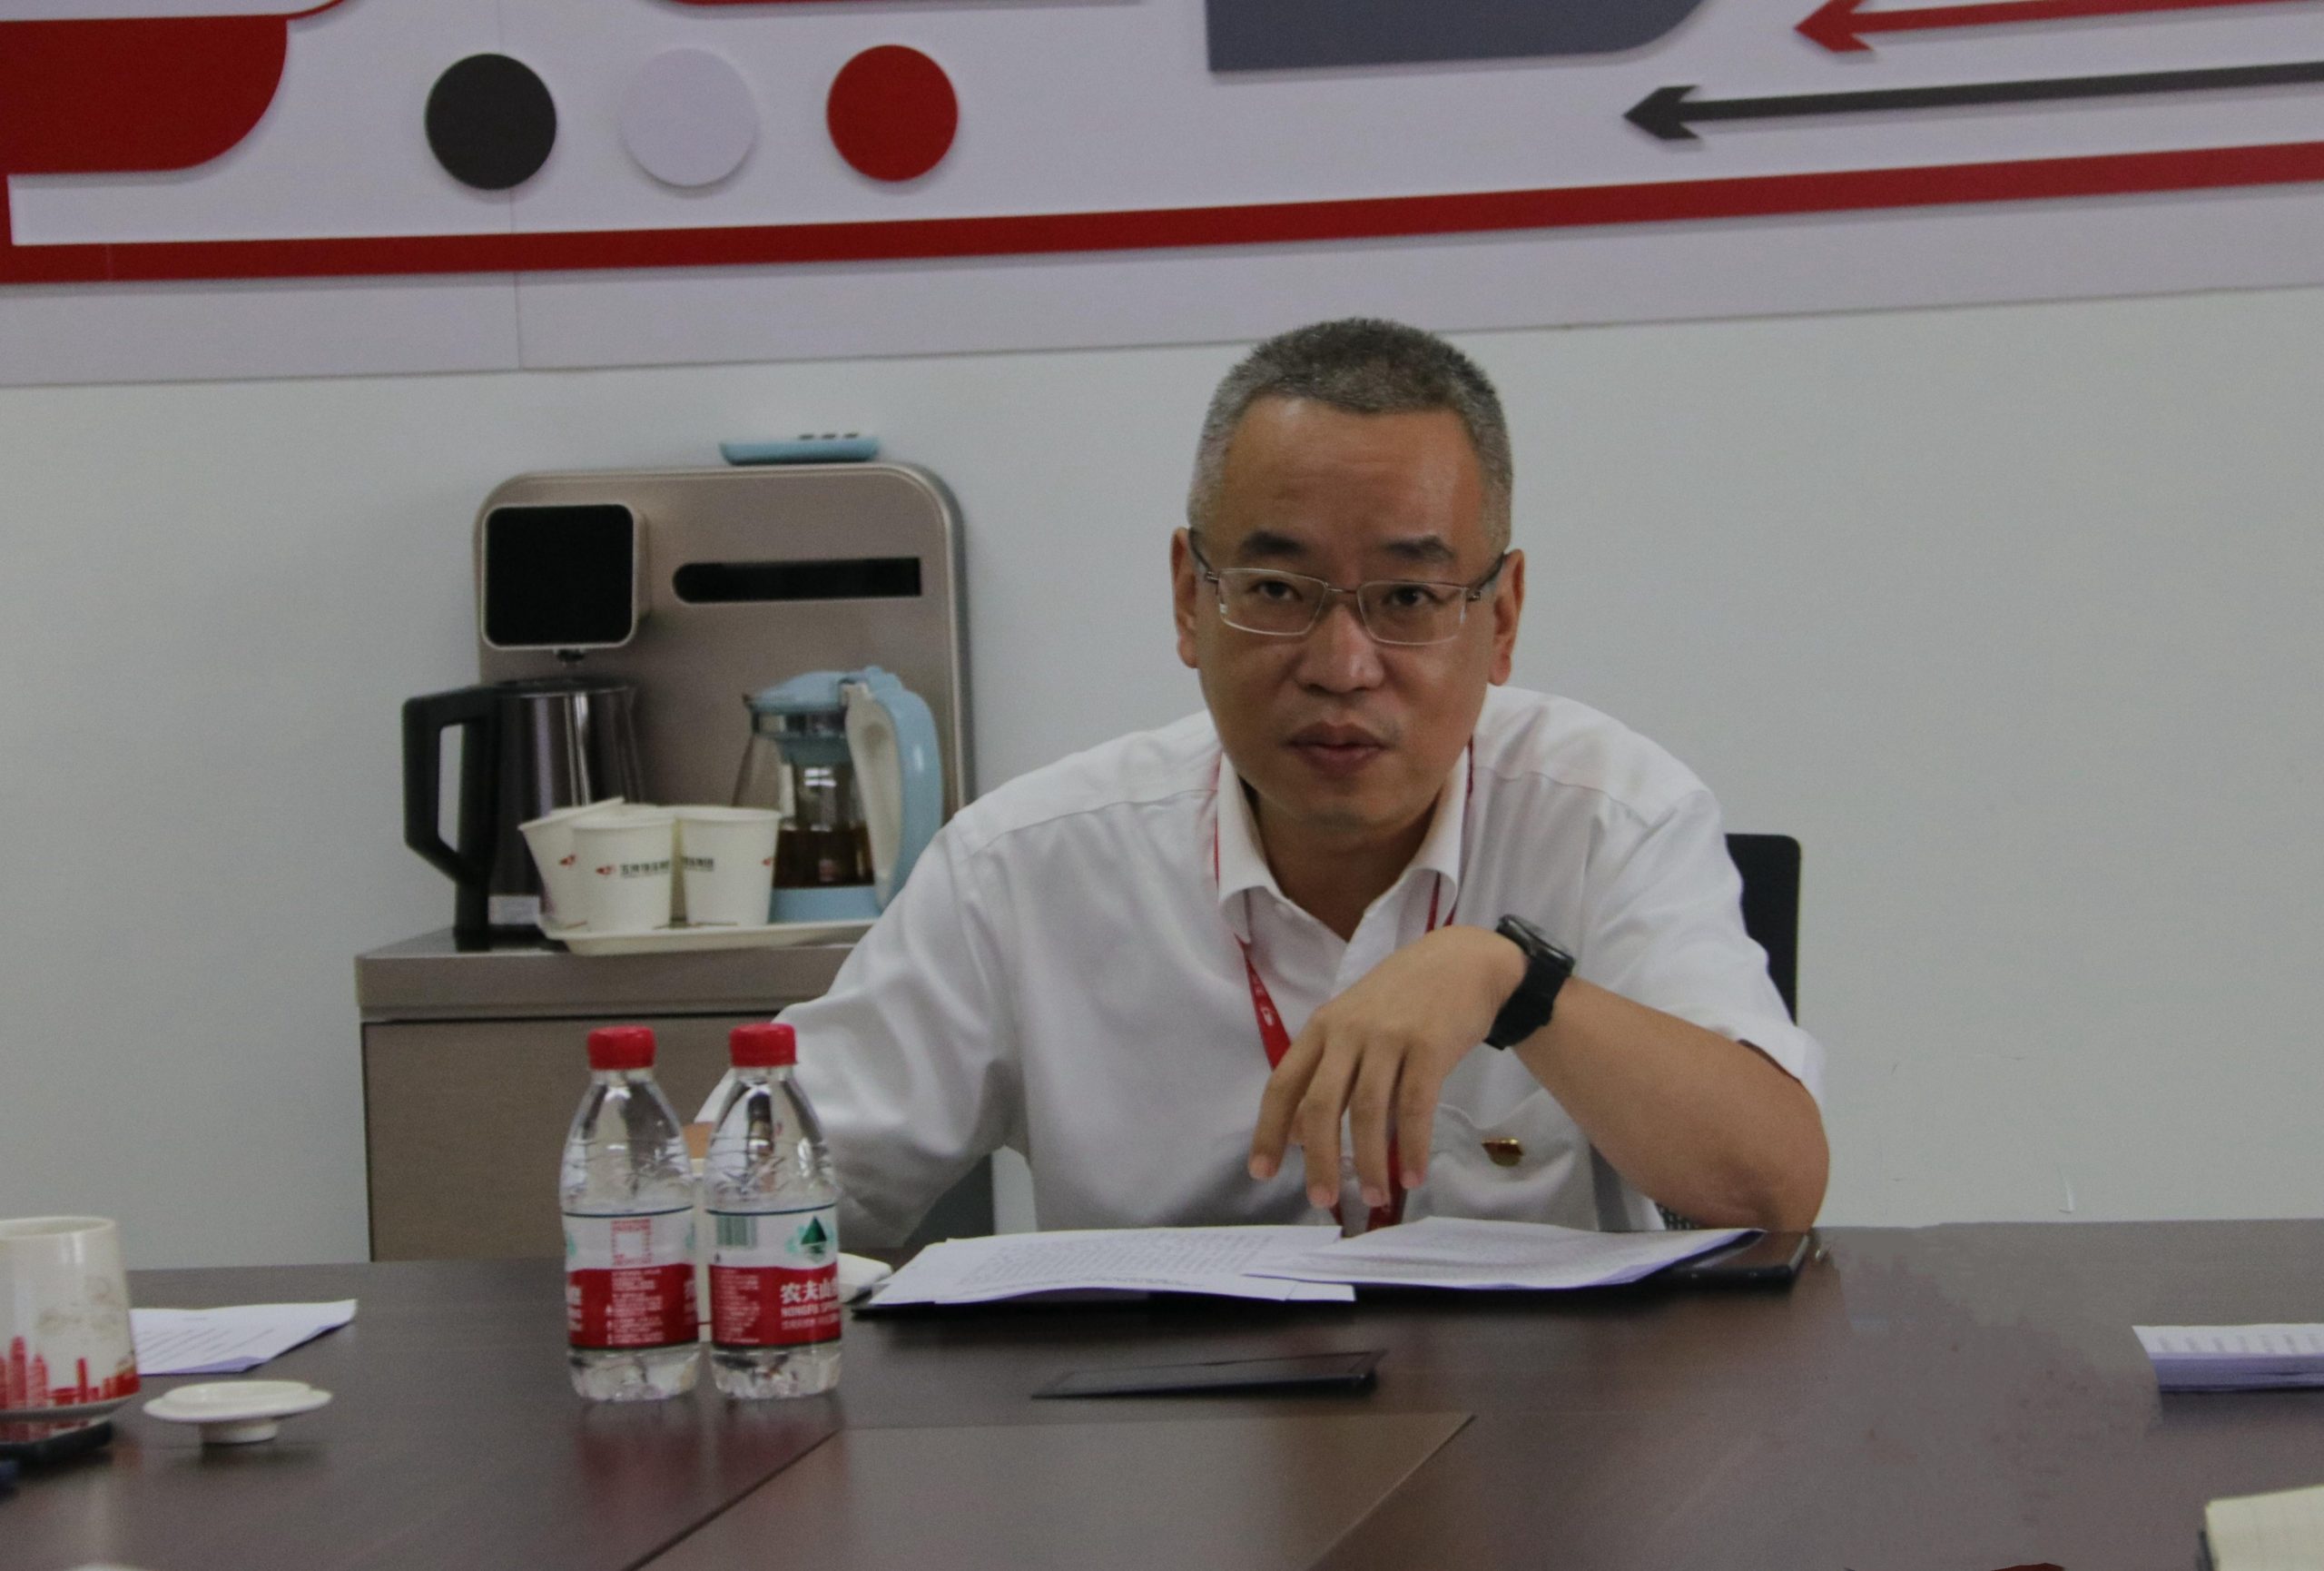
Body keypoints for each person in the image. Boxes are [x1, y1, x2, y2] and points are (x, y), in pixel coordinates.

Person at [714, 318, 1827, 1245]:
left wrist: (1513, 980)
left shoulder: (1608, 818)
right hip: (1161, 1438)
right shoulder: (1025, 865)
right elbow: (737, 1186)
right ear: (1188, 598)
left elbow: (1776, 1187)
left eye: (1407, 599)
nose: (1342, 665)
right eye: (1279, 590)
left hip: (1540, 1435)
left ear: (1501, 618)